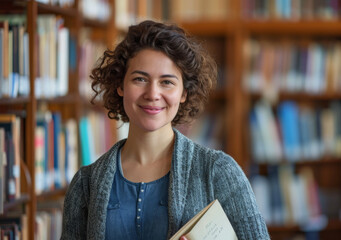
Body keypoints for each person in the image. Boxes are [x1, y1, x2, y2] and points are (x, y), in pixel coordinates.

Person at [61, 20, 269, 240]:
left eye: (167, 82)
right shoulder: (85, 184)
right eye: (140, 79)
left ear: (184, 93)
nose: (152, 93)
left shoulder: (218, 172)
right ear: (120, 86)